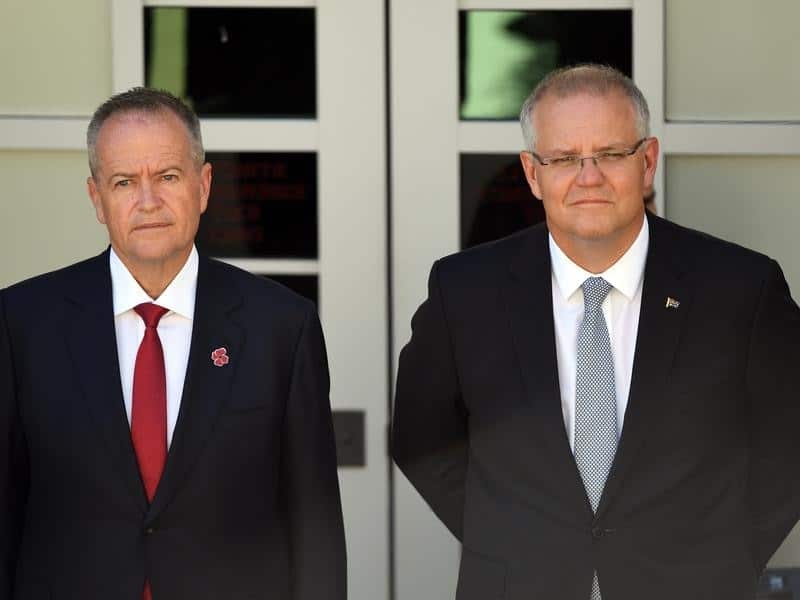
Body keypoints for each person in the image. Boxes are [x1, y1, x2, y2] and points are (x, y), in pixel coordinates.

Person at [391, 64, 800, 600]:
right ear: (533, 174)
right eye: (562, 159)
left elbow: (789, 443)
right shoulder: (464, 291)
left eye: (610, 154)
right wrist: (510, 535)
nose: (588, 176)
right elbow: (421, 438)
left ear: (647, 161)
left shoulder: (742, 288)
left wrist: (720, 554)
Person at [0, 88, 346, 600]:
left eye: (167, 176)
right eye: (123, 182)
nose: (148, 201)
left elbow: (313, 528)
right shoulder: (21, 323)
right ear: (97, 198)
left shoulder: (281, 326)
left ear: (203, 187)